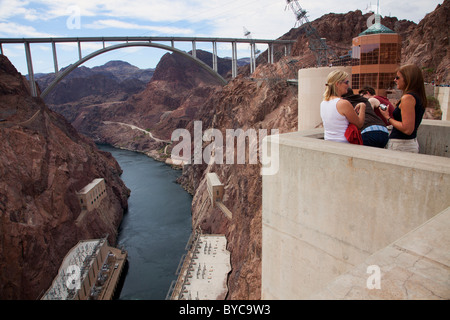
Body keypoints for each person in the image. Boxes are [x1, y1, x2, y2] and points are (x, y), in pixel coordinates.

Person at [379, 64, 427, 153]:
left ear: (408, 79)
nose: (395, 80)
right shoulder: (418, 97)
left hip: (402, 145)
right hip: (409, 143)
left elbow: (407, 129)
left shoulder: (408, 98)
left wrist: (388, 117)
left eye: (398, 77)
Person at [320, 70, 365, 143]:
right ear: (337, 84)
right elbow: (359, 124)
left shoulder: (323, 103)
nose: (348, 85)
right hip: (343, 144)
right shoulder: (343, 103)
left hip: (328, 142)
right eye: (346, 82)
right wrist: (363, 107)